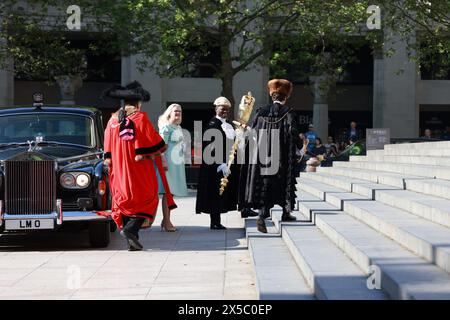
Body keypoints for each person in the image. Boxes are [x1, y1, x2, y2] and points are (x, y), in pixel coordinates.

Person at [102, 81, 175, 251]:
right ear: (138, 103)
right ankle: (130, 230)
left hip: (119, 168)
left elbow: (107, 147)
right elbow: (155, 142)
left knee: (125, 200)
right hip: (138, 167)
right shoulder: (140, 118)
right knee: (147, 198)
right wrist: (162, 147)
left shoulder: (112, 120)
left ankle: (132, 240)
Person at [239, 79, 299, 233]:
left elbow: (252, 134)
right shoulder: (288, 112)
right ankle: (285, 212)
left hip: (262, 156)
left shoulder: (260, 111)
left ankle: (262, 214)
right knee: (283, 183)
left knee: (265, 184)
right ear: (285, 97)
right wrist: (297, 149)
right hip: (281, 157)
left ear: (272, 96)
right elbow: (292, 135)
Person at [195, 97, 240, 230]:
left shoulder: (230, 125)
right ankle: (214, 221)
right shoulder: (212, 124)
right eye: (222, 108)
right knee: (215, 192)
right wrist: (219, 163)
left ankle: (217, 221)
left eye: (227, 109)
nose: (225, 110)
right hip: (215, 166)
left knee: (221, 193)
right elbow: (210, 146)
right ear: (216, 109)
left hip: (228, 163)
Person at [156, 103, 188, 232]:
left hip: (177, 163)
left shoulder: (178, 127)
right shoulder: (166, 127)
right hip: (168, 163)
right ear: (169, 113)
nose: (178, 113)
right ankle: (167, 221)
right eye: (175, 111)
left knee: (171, 193)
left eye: (180, 111)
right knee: (167, 193)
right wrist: (163, 161)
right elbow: (160, 147)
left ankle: (166, 220)